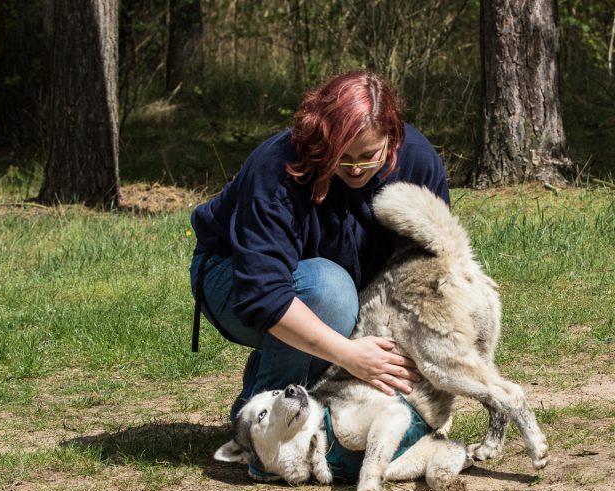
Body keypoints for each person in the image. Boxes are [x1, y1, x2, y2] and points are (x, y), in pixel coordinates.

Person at [189, 71, 451, 422]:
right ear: (320, 139)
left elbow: (428, 265)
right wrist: (350, 355)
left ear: (392, 137)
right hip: (233, 279)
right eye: (341, 156)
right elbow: (265, 295)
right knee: (329, 291)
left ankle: (306, 393)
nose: (356, 169)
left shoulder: (417, 162)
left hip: (331, 287)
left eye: (369, 155)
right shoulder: (278, 169)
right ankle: (262, 424)